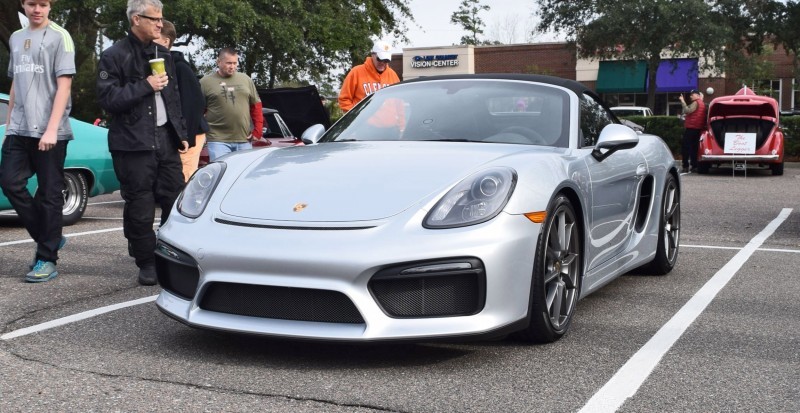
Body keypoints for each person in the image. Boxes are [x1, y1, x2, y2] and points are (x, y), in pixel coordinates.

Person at [96, 0, 189, 286]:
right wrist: (145, 85)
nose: (160, 24)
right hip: (132, 143)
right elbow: (108, 99)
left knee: (175, 200)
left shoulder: (164, 54)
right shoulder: (113, 56)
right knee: (140, 205)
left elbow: (173, 98)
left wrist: (180, 133)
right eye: (155, 19)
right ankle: (146, 262)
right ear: (137, 19)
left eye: (162, 19)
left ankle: (166, 254)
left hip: (165, 139)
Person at [0, 0, 75, 283]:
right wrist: (9, 125)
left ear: (50, 5)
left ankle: (46, 258)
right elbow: (15, 83)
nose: (37, 9)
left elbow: (64, 85)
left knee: (50, 194)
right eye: (32, 3)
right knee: (9, 182)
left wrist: (52, 129)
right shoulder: (16, 37)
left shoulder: (61, 36)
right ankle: (50, 236)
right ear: (23, 4)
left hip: (49, 129)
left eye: (43, 4)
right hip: (18, 128)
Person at [155, 20, 209, 181]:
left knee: (182, 179)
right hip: (172, 134)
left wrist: (186, 137)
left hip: (189, 133)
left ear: (165, 41)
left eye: (154, 38)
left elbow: (195, 103)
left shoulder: (180, 68)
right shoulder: (162, 66)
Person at [199, 47, 263, 161]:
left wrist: (258, 131)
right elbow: (198, 110)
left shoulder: (246, 79)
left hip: (244, 139)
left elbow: (256, 105)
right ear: (218, 62)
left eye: (235, 63)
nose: (232, 66)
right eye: (229, 63)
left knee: (242, 176)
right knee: (223, 174)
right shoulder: (205, 82)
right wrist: (200, 134)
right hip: (217, 139)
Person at [338, 40, 400, 113]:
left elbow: (399, 103)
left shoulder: (393, 75)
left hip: (390, 124)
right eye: (380, 59)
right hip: (362, 123)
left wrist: (401, 124)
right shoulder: (356, 72)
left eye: (386, 60)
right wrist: (355, 117)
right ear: (372, 55)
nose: (382, 63)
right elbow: (344, 99)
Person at [679, 89, 706, 173]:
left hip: (691, 128)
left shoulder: (696, 102)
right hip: (698, 128)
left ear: (698, 96)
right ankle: (694, 166)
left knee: (685, 147)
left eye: (692, 95)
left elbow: (687, 110)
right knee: (694, 148)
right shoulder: (702, 104)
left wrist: (682, 101)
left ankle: (685, 166)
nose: (690, 96)